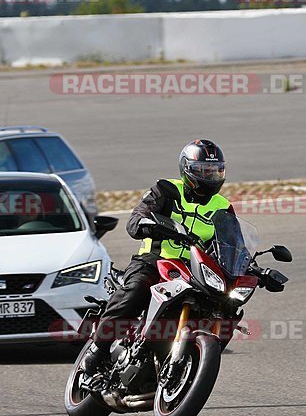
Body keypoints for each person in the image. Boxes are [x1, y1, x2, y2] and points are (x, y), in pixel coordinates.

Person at [82, 139, 233, 375]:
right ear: (187, 170)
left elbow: (234, 243)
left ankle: (192, 361)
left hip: (195, 272)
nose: (210, 176)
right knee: (136, 290)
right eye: (204, 171)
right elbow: (135, 220)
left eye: (215, 171)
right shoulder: (165, 190)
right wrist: (147, 224)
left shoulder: (223, 207)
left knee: (225, 304)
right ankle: (98, 349)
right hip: (154, 263)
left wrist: (255, 268)